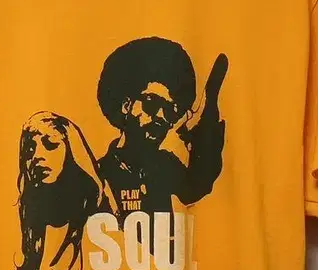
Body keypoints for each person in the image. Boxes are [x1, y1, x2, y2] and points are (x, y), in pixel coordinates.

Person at [96, 37, 228, 222]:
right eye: (151, 103)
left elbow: (200, 184)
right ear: (126, 105)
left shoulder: (167, 166)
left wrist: (208, 116)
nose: (161, 117)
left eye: (169, 110)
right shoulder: (97, 175)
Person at [14, 112, 114, 270]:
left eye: (50, 144)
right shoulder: (24, 226)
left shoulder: (101, 222)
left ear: (72, 153)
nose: (37, 156)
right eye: (29, 149)